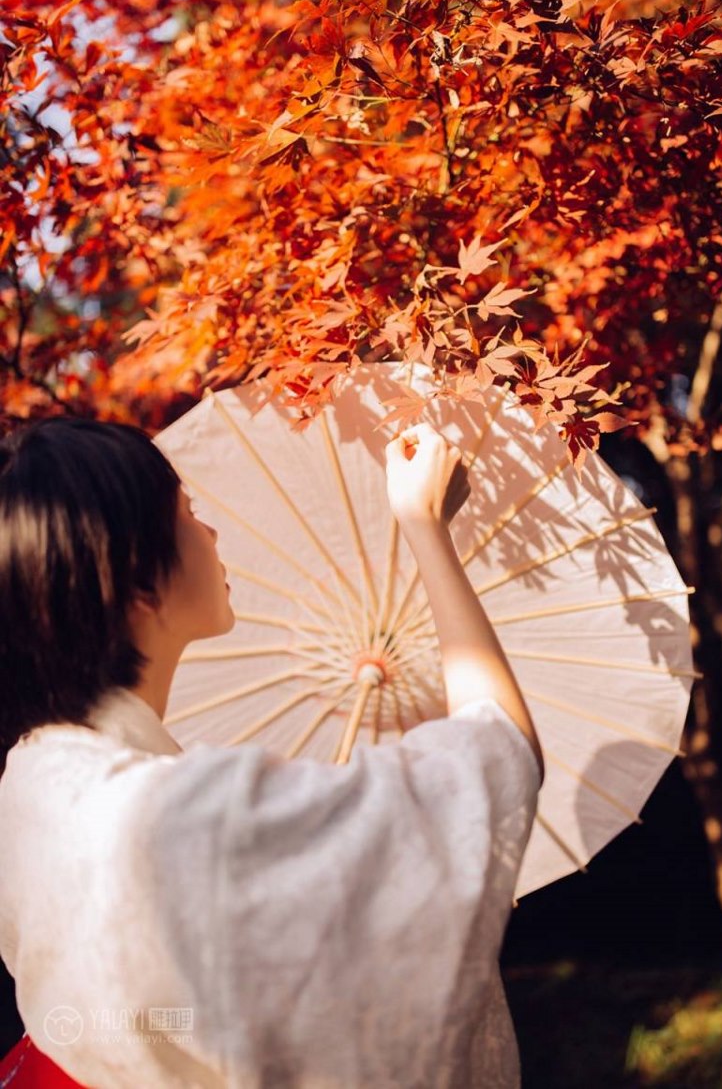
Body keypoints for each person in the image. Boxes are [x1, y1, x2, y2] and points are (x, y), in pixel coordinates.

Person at [0, 415, 544, 1089]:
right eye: (190, 514)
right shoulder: (183, 816)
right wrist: (425, 527)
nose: (211, 530)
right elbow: (496, 752)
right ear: (141, 584)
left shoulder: (32, 784)